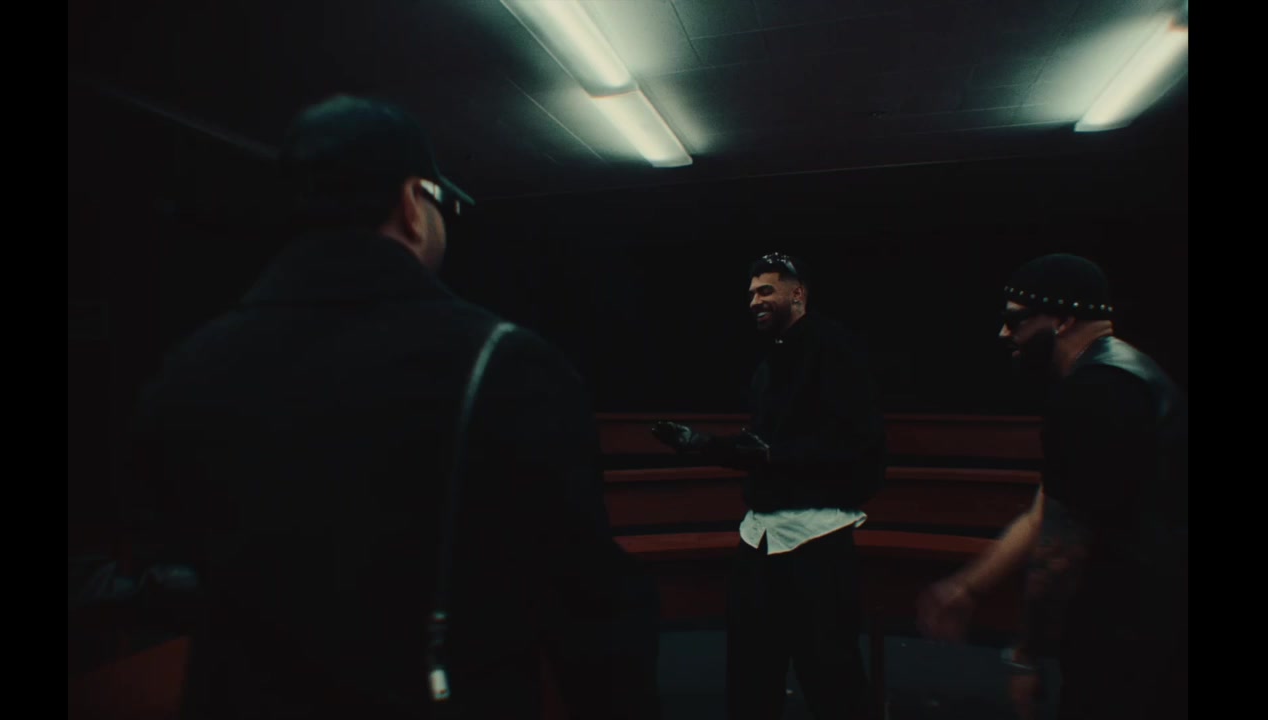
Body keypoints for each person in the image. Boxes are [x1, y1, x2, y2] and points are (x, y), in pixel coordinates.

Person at [129, 94, 660, 720]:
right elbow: (591, 613)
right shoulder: (505, 364)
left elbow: (170, 570)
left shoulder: (188, 367)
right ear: (412, 203)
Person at [918, 253, 1188, 720]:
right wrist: (968, 587)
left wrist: (1026, 653)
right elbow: (1045, 510)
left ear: (1062, 320)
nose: (1004, 333)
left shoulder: (1092, 394)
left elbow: (1060, 549)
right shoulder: (1129, 372)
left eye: (1016, 320)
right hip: (1156, 612)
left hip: (1133, 628)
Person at [653, 253, 885, 720]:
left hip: (816, 536)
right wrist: (704, 446)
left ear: (797, 293)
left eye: (765, 291)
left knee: (832, 679)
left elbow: (857, 445)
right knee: (750, 676)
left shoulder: (835, 349)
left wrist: (773, 456)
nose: (754, 301)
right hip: (759, 535)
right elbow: (759, 446)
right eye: (750, 294)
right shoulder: (770, 363)